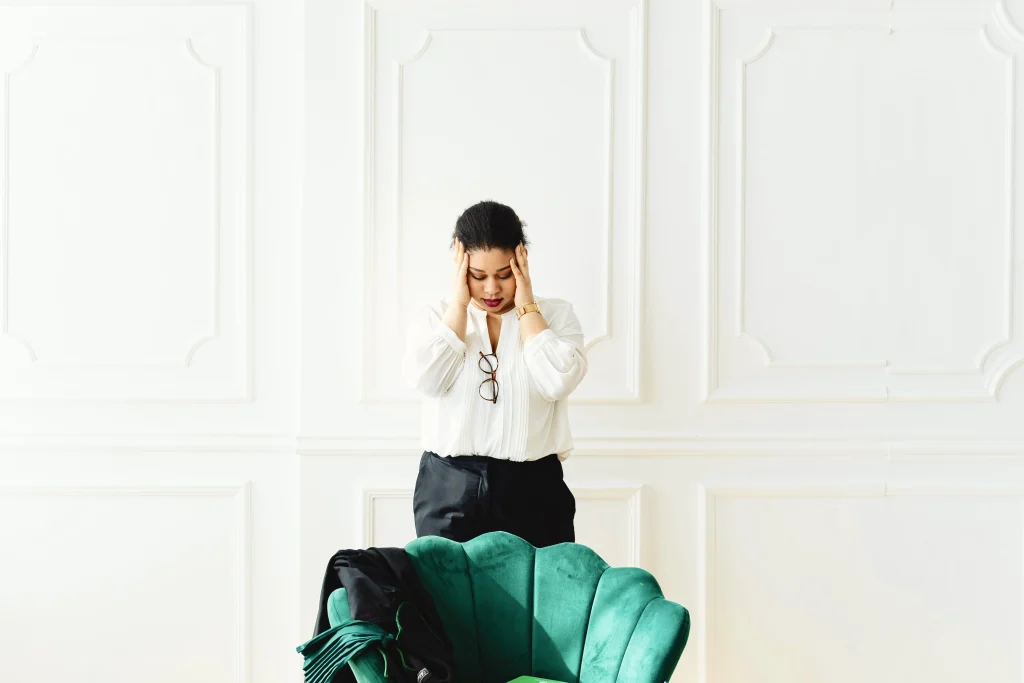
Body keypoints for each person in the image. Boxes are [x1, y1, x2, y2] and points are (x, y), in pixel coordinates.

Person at [402, 200, 588, 548]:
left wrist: (527, 306)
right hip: (448, 487)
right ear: (460, 267)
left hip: (534, 487)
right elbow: (427, 380)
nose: (491, 289)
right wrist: (458, 307)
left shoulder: (556, 316)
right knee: (448, 598)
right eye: (478, 276)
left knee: (540, 599)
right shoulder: (434, 317)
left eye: (504, 275)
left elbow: (559, 380)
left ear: (522, 261)